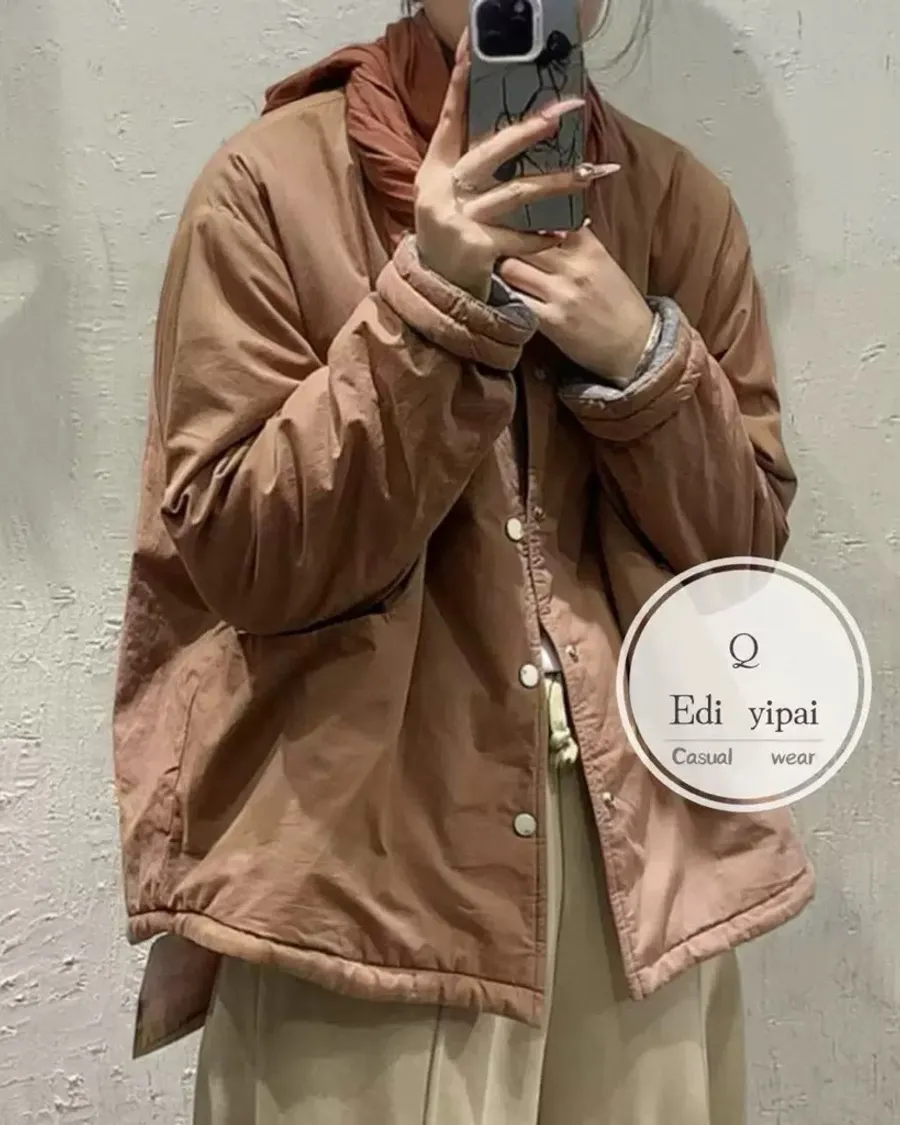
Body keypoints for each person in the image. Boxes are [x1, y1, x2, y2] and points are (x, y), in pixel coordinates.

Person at [112, 0, 815, 1121]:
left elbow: (738, 567)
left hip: (641, 888)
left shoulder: (679, 203)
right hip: (360, 888)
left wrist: (641, 355)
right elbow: (247, 561)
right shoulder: (268, 188)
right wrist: (431, 305)